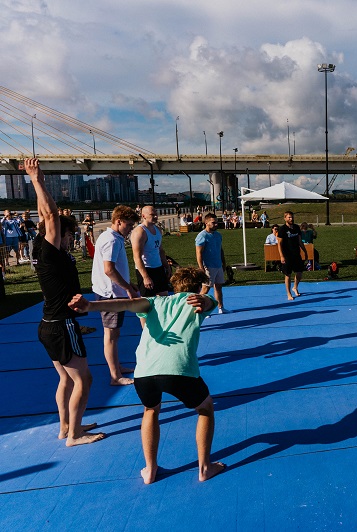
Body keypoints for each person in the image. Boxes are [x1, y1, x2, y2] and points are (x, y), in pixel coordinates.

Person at [68, 267, 225, 484]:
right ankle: (205, 468)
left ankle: (150, 470)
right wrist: (204, 300)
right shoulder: (197, 301)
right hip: (179, 370)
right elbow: (208, 302)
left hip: (144, 372)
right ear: (198, 287)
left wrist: (90, 306)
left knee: (151, 410)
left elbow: (126, 304)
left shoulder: (153, 302)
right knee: (205, 407)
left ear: (173, 286)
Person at [24, 158, 104, 446]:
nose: (71, 239)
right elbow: (50, 216)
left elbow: (45, 217)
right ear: (62, 235)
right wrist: (37, 180)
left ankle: (66, 426)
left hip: (49, 324)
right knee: (84, 380)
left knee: (67, 379)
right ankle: (75, 434)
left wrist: (39, 184)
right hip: (61, 326)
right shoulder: (52, 252)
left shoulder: (42, 249)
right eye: (70, 235)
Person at [91, 205, 141, 386]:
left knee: (114, 333)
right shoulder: (111, 240)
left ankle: (116, 366)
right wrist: (127, 287)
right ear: (118, 222)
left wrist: (128, 283)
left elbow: (115, 268)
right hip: (110, 294)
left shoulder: (113, 238)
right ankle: (115, 376)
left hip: (112, 291)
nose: (130, 229)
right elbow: (109, 269)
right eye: (128, 225)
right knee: (111, 335)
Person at [131, 206, 171, 300]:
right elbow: (137, 257)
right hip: (146, 269)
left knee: (164, 298)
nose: (156, 217)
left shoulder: (158, 230)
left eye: (156, 214)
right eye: (152, 215)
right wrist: (145, 277)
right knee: (147, 301)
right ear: (143, 216)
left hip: (158, 268)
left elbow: (160, 251)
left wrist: (167, 266)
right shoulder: (140, 232)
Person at [195, 213, 229, 314]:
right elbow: (199, 253)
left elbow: (220, 249)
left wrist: (223, 262)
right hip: (208, 266)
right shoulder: (202, 236)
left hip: (218, 265)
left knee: (218, 287)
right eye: (213, 223)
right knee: (205, 288)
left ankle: (221, 307)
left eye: (216, 222)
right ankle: (200, 309)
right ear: (206, 223)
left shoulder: (218, 235)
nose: (216, 224)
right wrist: (201, 268)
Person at [277, 211, 308, 301]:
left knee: (299, 272)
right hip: (287, 255)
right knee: (288, 274)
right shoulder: (282, 229)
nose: (291, 219)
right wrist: (281, 256)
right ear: (285, 218)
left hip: (296, 254)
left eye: (292, 217)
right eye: (289, 217)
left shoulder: (296, 228)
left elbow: (299, 241)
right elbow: (279, 244)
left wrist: (305, 251)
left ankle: (295, 287)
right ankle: (289, 293)